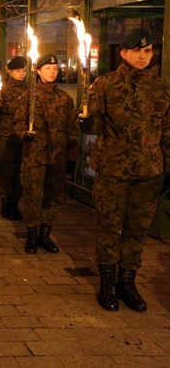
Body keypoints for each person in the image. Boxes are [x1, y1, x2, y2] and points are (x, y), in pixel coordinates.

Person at [80, 28, 170, 312]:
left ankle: (127, 282)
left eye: (147, 51)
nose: (142, 56)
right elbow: (91, 121)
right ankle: (107, 284)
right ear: (123, 53)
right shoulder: (104, 85)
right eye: (136, 51)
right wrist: (84, 122)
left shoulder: (161, 87)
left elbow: (166, 131)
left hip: (148, 172)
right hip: (113, 170)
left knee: (137, 230)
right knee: (109, 228)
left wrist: (166, 166)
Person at [13, 54, 78, 256]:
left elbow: (71, 130)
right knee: (33, 195)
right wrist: (24, 134)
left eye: (55, 68)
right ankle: (31, 234)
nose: (52, 71)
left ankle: (45, 233)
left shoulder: (65, 99)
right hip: (35, 156)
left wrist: (71, 158)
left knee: (54, 197)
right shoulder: (29, 97)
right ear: (38, 71)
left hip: (57, 156)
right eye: (48, 68)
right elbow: (18, 123)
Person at [0, 56, 27, 220]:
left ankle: (15, 204)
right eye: (18, 70)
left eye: (24, 70)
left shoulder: (29, 91)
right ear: (10, 71)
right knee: (7, 169)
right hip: (7, 134)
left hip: (23, 137)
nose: (21, 73)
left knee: (20, 171)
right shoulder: (3, 90)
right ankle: (5, 204)